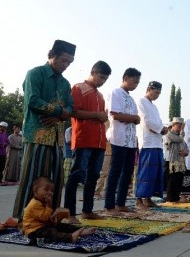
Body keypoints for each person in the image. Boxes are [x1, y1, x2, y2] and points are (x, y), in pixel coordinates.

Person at [13, 40, 75, 219]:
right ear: (52, 55)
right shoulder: (35, 74)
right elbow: (33, 100)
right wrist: (60, 111)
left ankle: (49, 217)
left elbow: (70, 107)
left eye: (69, 63)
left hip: (56, 136)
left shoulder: (65, 83)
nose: (66, 65)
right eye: (63, 60)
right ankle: (24, 219)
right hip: (36, 135)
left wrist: (61, 114)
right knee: (34, 178)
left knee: (56, 179)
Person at [64, 61, 112, 223]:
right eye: (101, 77)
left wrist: (102, 117)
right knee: (77, 174)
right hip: (83, 139)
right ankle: (70, 213)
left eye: (105, 79)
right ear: (93, 72)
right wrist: (96, 115)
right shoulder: (78, 88)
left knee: (93, 176)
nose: (103, 81)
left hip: (99, 142)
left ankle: (87, 211)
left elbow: (101, 117)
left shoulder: (100, 95)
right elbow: (74, 111)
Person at [104, 68, 141, 214]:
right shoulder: (116, 93)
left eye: (138, 82)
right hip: (118, 139)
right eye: (134, 81)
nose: (136, 84)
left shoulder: (131, 99)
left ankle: (120, 203)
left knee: (127, 172)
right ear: (126, 78)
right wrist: (134, 119)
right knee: (115, 171)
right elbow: (115, 115)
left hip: (131, 141)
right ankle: (109, 205)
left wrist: (134, 119)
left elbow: (136, 119)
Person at [22, 177, 95, 243]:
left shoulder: (43, 202)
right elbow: (45, 218)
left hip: (43, 226)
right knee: (51, 232)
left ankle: (82, 230)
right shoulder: (34, 204)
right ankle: (70, 237)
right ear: (35, 192)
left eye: (51, 191)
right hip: (33, 231)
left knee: (61, 226)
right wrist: (49, 205)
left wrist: (55, 219)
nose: (50, 193)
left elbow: (47, 219)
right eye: (46, 189)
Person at [135, 81, 168, 210]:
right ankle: (139, 200)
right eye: (156, 92)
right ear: (149, 89)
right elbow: (147, 122)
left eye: (159, 93)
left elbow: (158, 122)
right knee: (145, 172)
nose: (157, 95)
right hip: (147, 142)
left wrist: (162, 128)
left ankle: (148, 199)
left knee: (154, 173)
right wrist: (162, 129)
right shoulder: (141, 101)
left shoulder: (154, 107)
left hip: (157, 143)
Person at [165, 117, 189, 203]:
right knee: (172, 181)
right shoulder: (169, 134)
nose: (180, 129)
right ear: (173, 125)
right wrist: (182, 132)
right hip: (172, 162)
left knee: (179, 181)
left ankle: (176, 198)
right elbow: (179, 140)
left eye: (181, 127)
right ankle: (170, 199)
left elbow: (186, 148)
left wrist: (185, 152)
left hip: (181, 163)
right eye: (179, 127)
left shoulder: (181, 136)